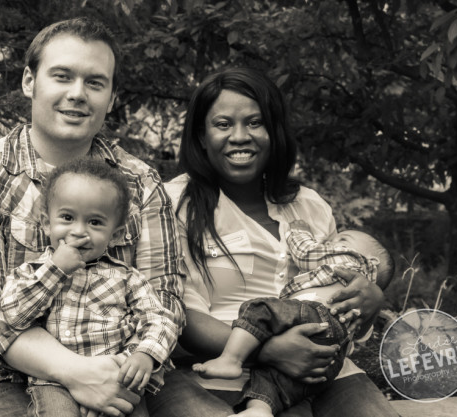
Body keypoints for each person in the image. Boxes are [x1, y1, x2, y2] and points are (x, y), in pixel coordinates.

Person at [0, 17, 185, 417]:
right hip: (8, 380)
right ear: (29, 82)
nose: (78, 94)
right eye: (62, 76)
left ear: (112, 97)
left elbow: (164, 296)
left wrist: (132, 361)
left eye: (95, 83)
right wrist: (76, 372)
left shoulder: (140, 183)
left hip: (128, 372)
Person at [154, 67, 399, 417]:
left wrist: (369, 301)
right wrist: (268, 349)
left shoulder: (308, 204)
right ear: (201, 136)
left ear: (275, 131)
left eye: (255, 123)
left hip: (319, 376)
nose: (240, 136)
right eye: (223, 124)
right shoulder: (174, 204)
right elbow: (181, 315)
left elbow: (334, 291)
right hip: (209, 373)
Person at [0, 159, 178, 417]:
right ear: (47, 223)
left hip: (117, 377)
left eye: (95, 222)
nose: (79, 231)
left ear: (115, 235)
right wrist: (56, 270)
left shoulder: (126, 278)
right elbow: (11, 317)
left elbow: (160, 318)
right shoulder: (30, 273)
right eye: (67, 217)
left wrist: (145, 354)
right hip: (54, 382)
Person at [191, 220, 395, 416]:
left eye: (343, 240)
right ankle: (259, 410)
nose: (331, 243)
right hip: (331, 355)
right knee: (276, 379)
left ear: (372, 262)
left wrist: (297, 232)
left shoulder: (351, 259)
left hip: (313, 313)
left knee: (260, 308)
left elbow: (307, 253)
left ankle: (231, 359)